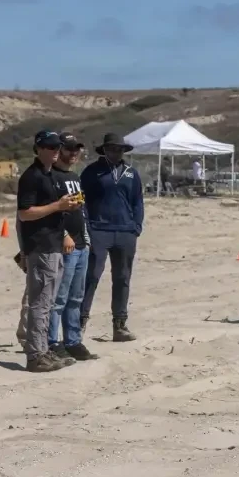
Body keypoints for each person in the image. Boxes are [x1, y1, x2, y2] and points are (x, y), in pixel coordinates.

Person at [16, 129, 83, 372]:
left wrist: (66, 207)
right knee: (40, 303)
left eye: (58, 147)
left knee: (49, 301)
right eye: (52, 147)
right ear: (39, 149)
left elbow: (53, 208)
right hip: (41, 246)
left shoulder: (49, 175)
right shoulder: (32, 176)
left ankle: (43, 350)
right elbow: (24, 213)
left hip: (54, 244)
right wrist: (57, 206)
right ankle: (36, 355)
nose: (57, 151)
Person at [80, 132, 144, 342]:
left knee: (122, 278)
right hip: (99, 231)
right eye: (112, 148)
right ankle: (79, 324)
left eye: (120, 149)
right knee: (92, 276)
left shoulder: (131, 173)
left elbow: (137, 201)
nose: (117, 152)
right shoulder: (91, 172)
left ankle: (120, 325)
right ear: (105, 150)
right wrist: (88, 227)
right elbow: (82, 201)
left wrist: (136, 226)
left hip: (125, 232)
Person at [49, 132, 98, 361]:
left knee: (76, 298)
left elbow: (80, 210)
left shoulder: (74, 177)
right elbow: (49, 212)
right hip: (64, 246)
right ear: (58, 150)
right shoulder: (51, 176)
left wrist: (85, 239)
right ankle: (52, 342)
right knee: (58, 298)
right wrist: (64, 234)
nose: (73, 153)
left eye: (76, 149)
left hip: (81, 245)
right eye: (69, 149)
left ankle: (73, 341)